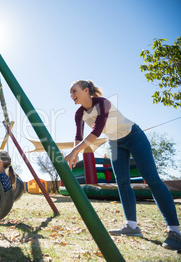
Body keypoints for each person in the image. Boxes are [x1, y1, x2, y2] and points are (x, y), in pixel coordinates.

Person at [64, 80, 180, 250]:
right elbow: (79, 136)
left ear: (86, 90)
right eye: (70, 93)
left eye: (74, 91)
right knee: (122, 183)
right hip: (115, 142)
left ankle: (174, 231)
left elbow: (96, 131)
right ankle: (131, 226)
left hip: (134, 136)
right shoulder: (78, 114)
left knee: (152, 180)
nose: (71, 95)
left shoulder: (103, 103)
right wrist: (77, 153)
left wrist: (74, 151)